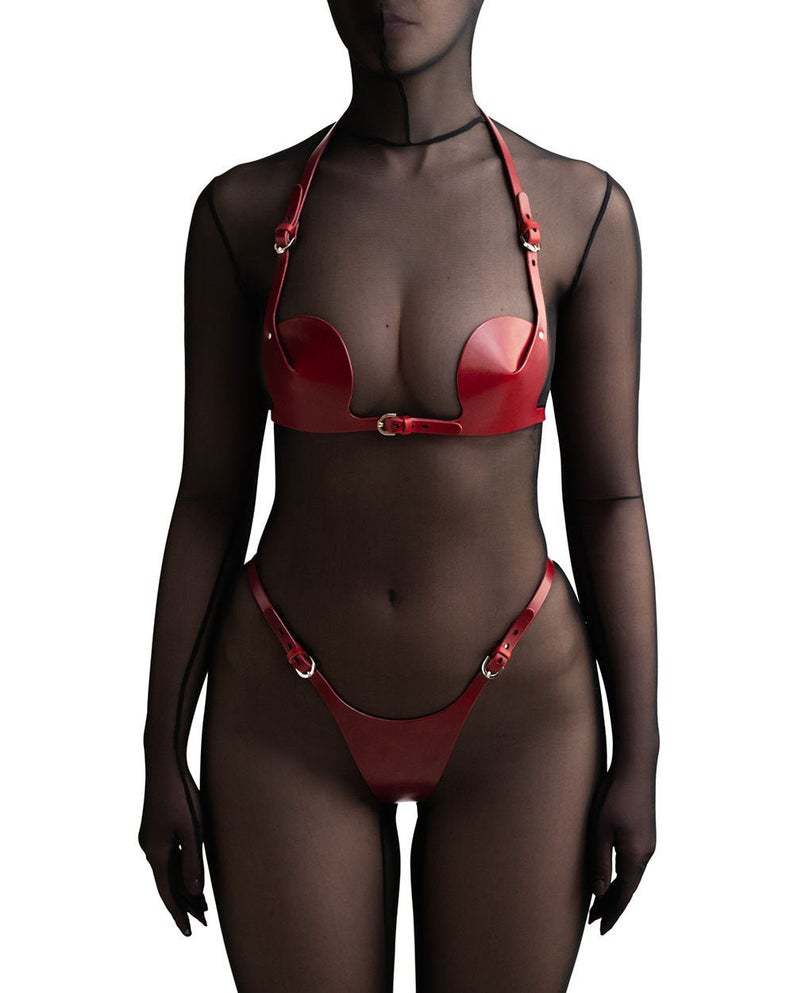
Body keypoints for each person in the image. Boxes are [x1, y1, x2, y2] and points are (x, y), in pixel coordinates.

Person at [138, 2, 659, 990]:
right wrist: (158, 743)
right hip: (282, 712)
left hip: (521, 720)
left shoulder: (583, 212)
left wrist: (641, 750)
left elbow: (609, 499)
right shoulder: (240, 215)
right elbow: (208, 495)